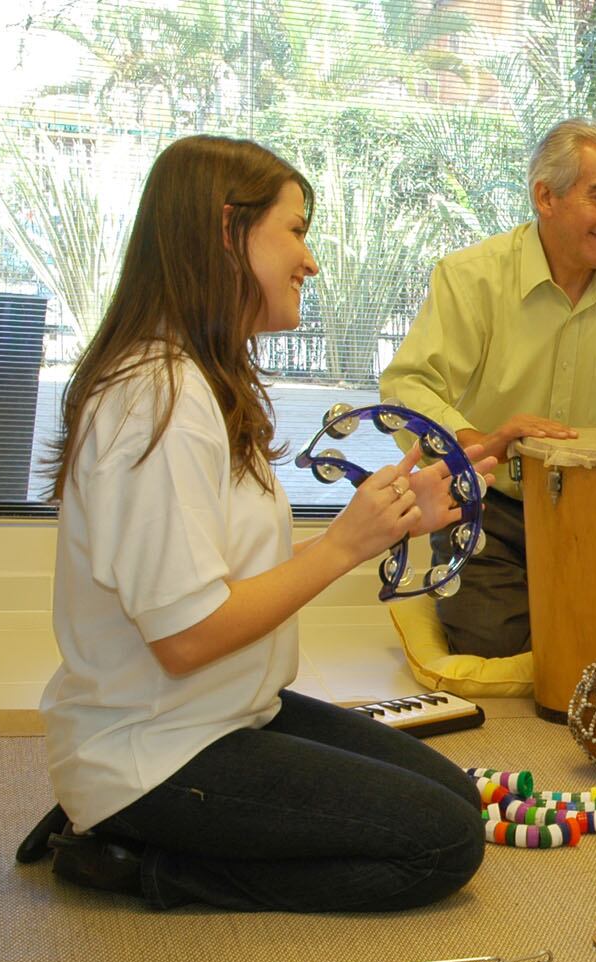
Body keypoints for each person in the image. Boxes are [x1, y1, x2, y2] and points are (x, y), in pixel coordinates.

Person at [30, 135, 496, 912]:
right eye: (296, 229)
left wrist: (389, 521)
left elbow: (225, 581)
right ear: (225, 232)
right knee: (443, 845)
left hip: (230, 713)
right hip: (159, 750)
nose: (309, 259)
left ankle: (148, 830)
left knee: (453, 795)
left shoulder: (199, 379)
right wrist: (348, 544)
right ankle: (136, 858)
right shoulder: (160, 402)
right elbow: (185, 640)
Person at [380, 118, 596, 665]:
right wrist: (485, 441)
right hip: (493, 507)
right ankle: (487, 603)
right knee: (492, 640)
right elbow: (407, 389)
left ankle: (550, 613)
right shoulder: (471, 277)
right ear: (546, 196)